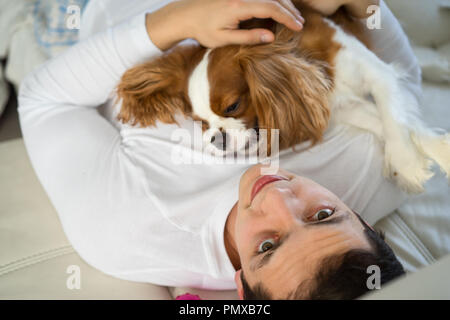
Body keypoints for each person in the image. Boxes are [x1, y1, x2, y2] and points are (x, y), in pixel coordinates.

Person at [18, 0, 420, 299]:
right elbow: (400, 84)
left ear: (241, 289)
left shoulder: (123, 229)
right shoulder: (385, 172)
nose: (276, 193)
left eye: (267, 246)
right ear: (368, 223)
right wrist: (366, 5)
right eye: (323, 214)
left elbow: (44, 99)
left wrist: (178, 19)